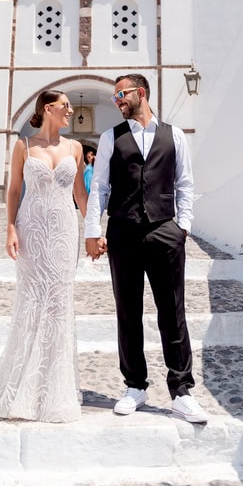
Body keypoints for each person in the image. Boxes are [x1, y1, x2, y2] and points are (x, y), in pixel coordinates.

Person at [84, 74, 208, 423]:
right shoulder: (111, 137)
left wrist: (182, 227)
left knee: (173, 312)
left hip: (165, 232)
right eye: (113, 97)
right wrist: (93, 230)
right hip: (123, 233)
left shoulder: (174, 135)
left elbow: (185, 183)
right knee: (128, 312)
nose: (116, 101)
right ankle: (135, 386)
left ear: (141, 93)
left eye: (120, 95)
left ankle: (181, 390)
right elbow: (101, 188)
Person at [0, 89, 88, 422]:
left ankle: (54, 388)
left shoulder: (75, 148)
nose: (70, 110)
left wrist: (95, 230)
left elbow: (80, 193)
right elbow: (13, 191)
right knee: (31, 302)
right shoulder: (24, 146)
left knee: (59, 305)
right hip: (32, 231)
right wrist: (10, 228)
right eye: (65, 105)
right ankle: (20, 382)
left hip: (65, 233)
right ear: (47, 108)